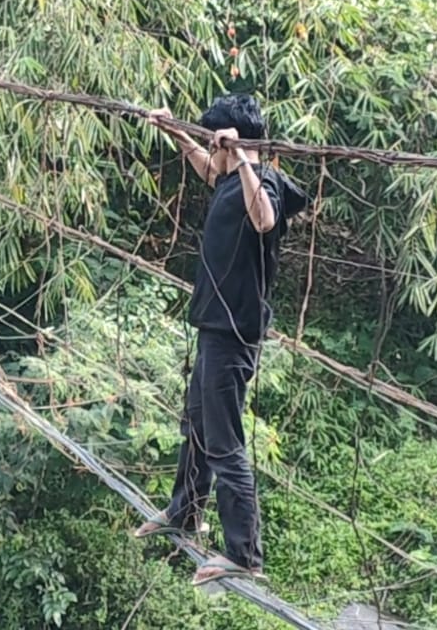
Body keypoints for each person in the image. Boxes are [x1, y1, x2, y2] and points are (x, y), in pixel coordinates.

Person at [132, 94, 310, 586]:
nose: (216, 149)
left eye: (220, 139)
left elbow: (265, 220)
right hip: (214, 327)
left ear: (236, 140)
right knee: (197, 426)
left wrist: (248, 158)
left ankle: (244, 554)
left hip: (234, 335)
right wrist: (176, 132)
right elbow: (210, 172)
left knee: (226, 444)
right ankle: (184, 511)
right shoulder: (230, 178)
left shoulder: (262, 181)